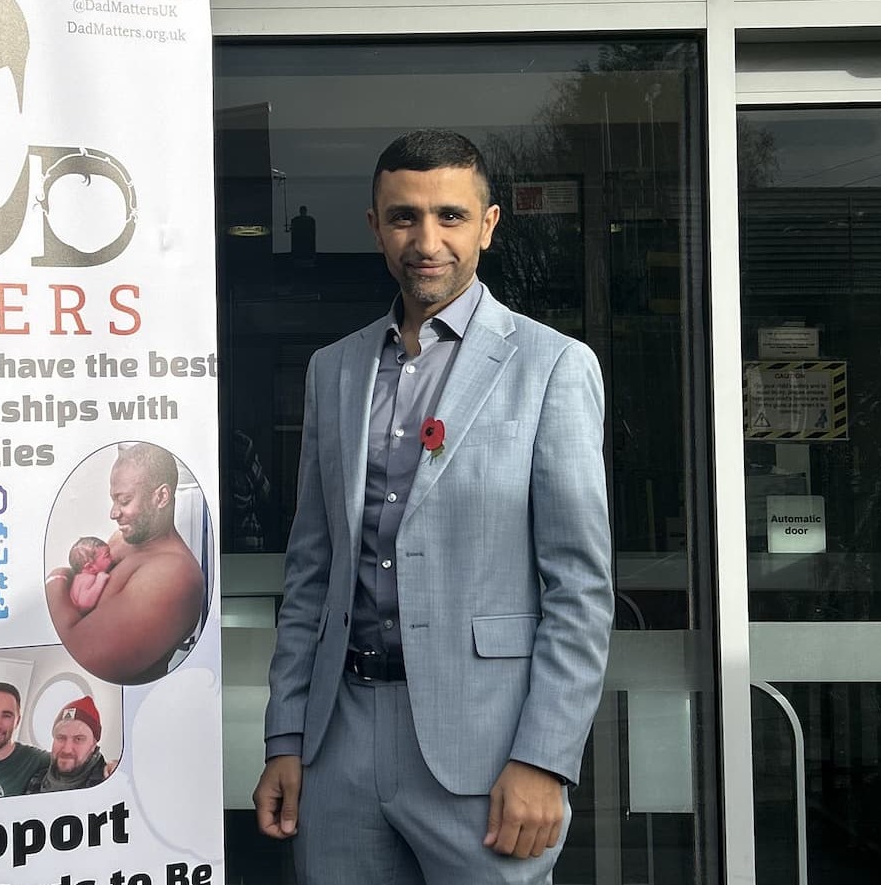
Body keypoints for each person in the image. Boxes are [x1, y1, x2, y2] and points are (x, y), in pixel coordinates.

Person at [253, 129, 614, 885]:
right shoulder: (334, 369)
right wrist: (285, 734)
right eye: (403, 217)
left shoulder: (552, 366)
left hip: (486, 755)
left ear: (487, 225)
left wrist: (543, 757)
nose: (426, 240)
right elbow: (311, 575)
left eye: (450, 216)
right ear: (374, 227)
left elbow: (578, 590)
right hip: (338, 744)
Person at [44, 443, 204, 684]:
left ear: (161, 497)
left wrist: (56, 580)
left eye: (125, 500)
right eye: (114, 500)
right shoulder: (124, 540)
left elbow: (77, 654)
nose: (113, 513)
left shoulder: (173, 574)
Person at [24, 696, 109, 794]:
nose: (67, 750)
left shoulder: (108, 783)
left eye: (78, 739)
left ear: (93, 745)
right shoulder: (36, 780)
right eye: (61, 738)